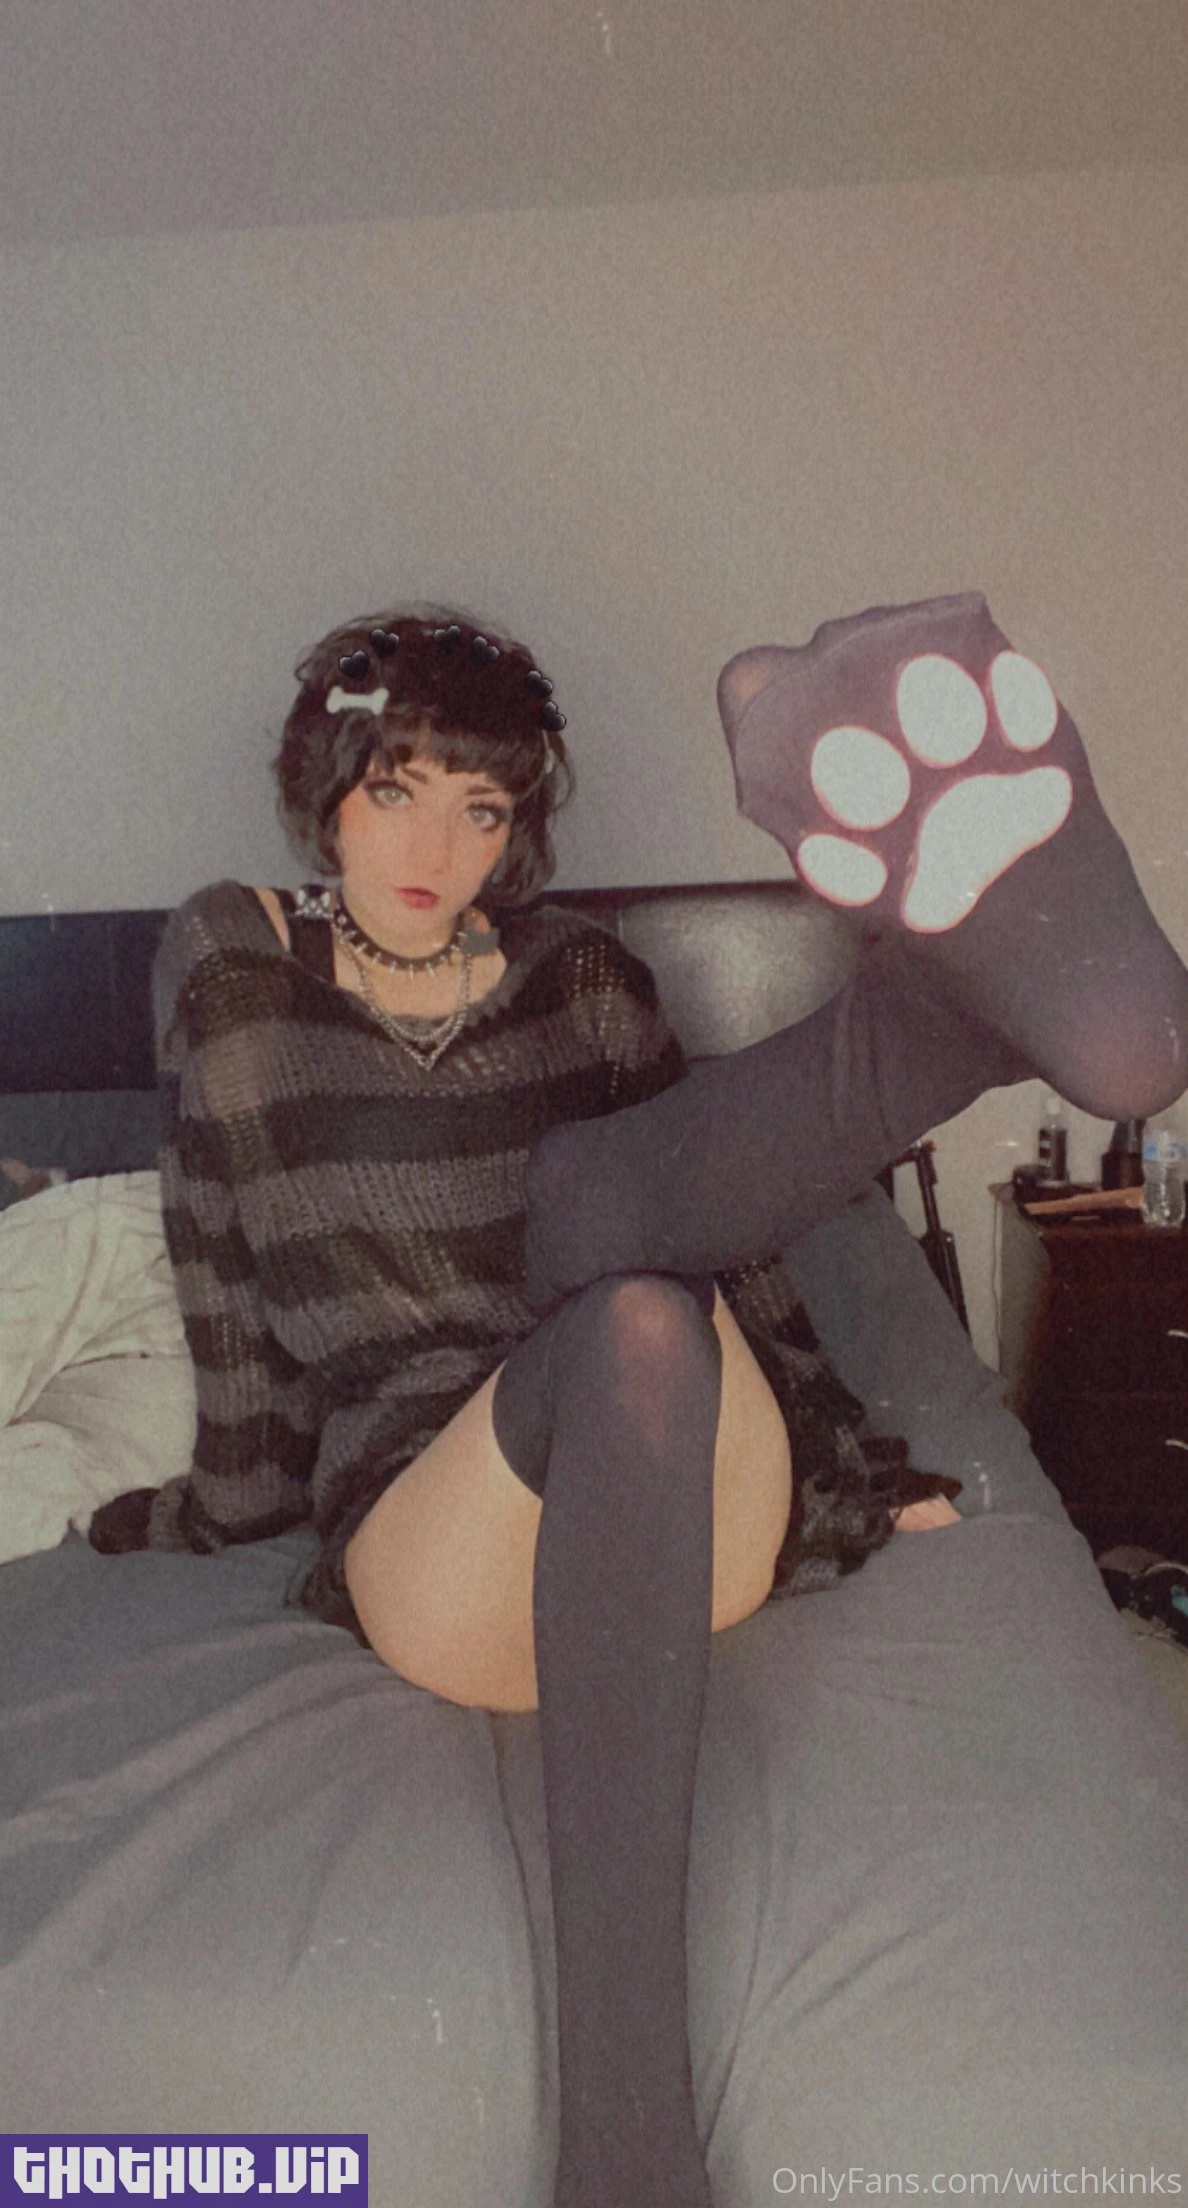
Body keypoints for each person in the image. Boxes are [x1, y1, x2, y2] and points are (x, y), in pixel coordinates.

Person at [88, 592, 1188, 2208]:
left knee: (618, 1231)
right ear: (326, 785)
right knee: (626, 1310)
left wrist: (841, 1469)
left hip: (678, 1485)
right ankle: (931, 1023)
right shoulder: (231, 960)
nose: (438, 849)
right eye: (397, 791)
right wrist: (215, 1506)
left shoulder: (587, 973)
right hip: (451, 1536)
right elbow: (218, 1250)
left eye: (483, 809)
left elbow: (732, 1244)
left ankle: (965, 1001)